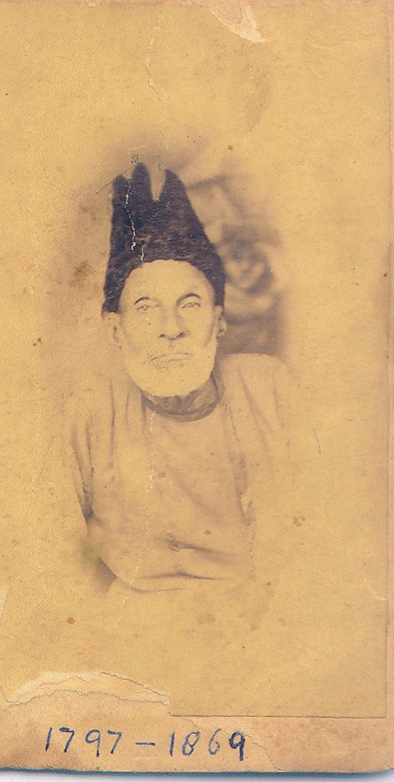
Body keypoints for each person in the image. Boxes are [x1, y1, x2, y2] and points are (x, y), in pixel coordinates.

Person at [66, 163, 292, 598]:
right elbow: (55, 551)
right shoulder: (92, 416)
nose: (171, 329)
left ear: (218, 320)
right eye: (146, 308)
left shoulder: (269, 389)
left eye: (189, 304)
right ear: (115, 329)